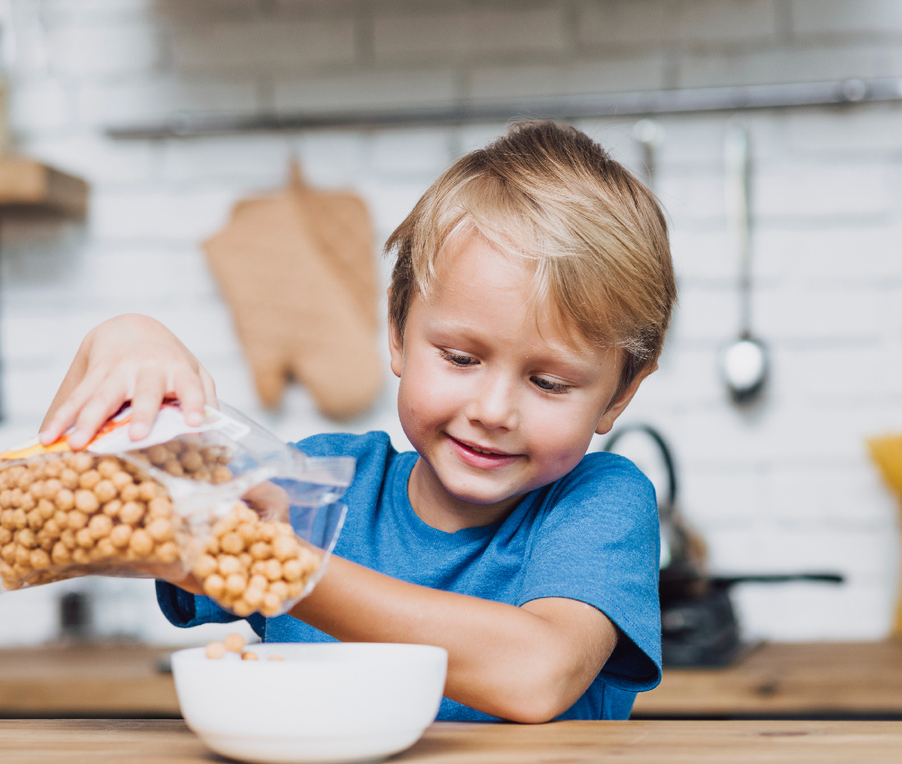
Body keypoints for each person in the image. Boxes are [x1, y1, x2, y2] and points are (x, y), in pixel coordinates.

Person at [39, 120, 677, 723]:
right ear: (397, 333)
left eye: (548, 382)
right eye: (460, 358)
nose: (492, 411)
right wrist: (123, 339)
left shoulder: (601, 504)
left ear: (619, 395)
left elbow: (539, 673)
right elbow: (65, 505)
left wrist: (278, 565)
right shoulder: (312, 482)